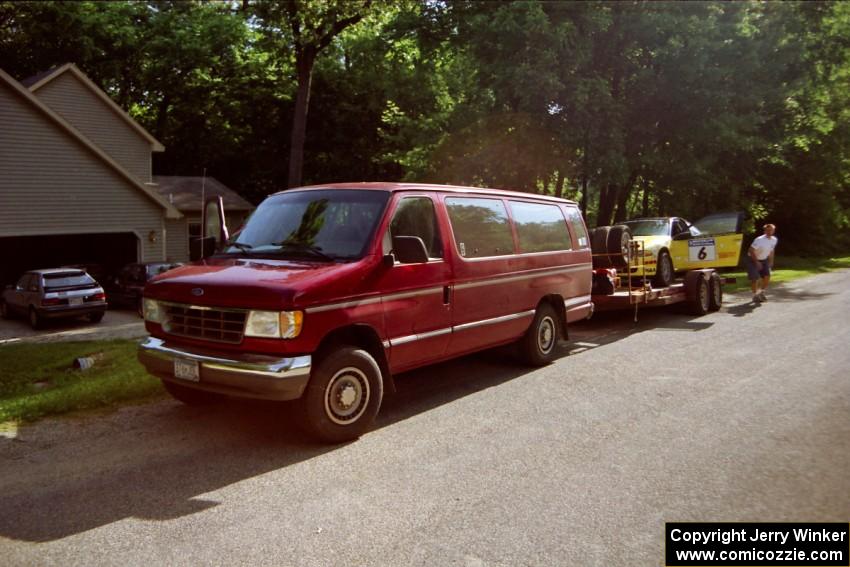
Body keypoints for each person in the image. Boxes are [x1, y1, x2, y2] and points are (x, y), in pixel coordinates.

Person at [747, 223, 778, 303]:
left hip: (764, 260)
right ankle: (755, 295)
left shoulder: (774, 239)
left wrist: (771, 261)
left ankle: (761, 292)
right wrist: (756, 262)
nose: (769, 231)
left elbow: (771, 250)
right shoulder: (759, 239)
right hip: (753, 260)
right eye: (767, 230)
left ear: (774, 231)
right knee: (755, 278)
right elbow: (751, 250)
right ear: (764, 231)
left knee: (767, 277)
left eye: (771, 230)